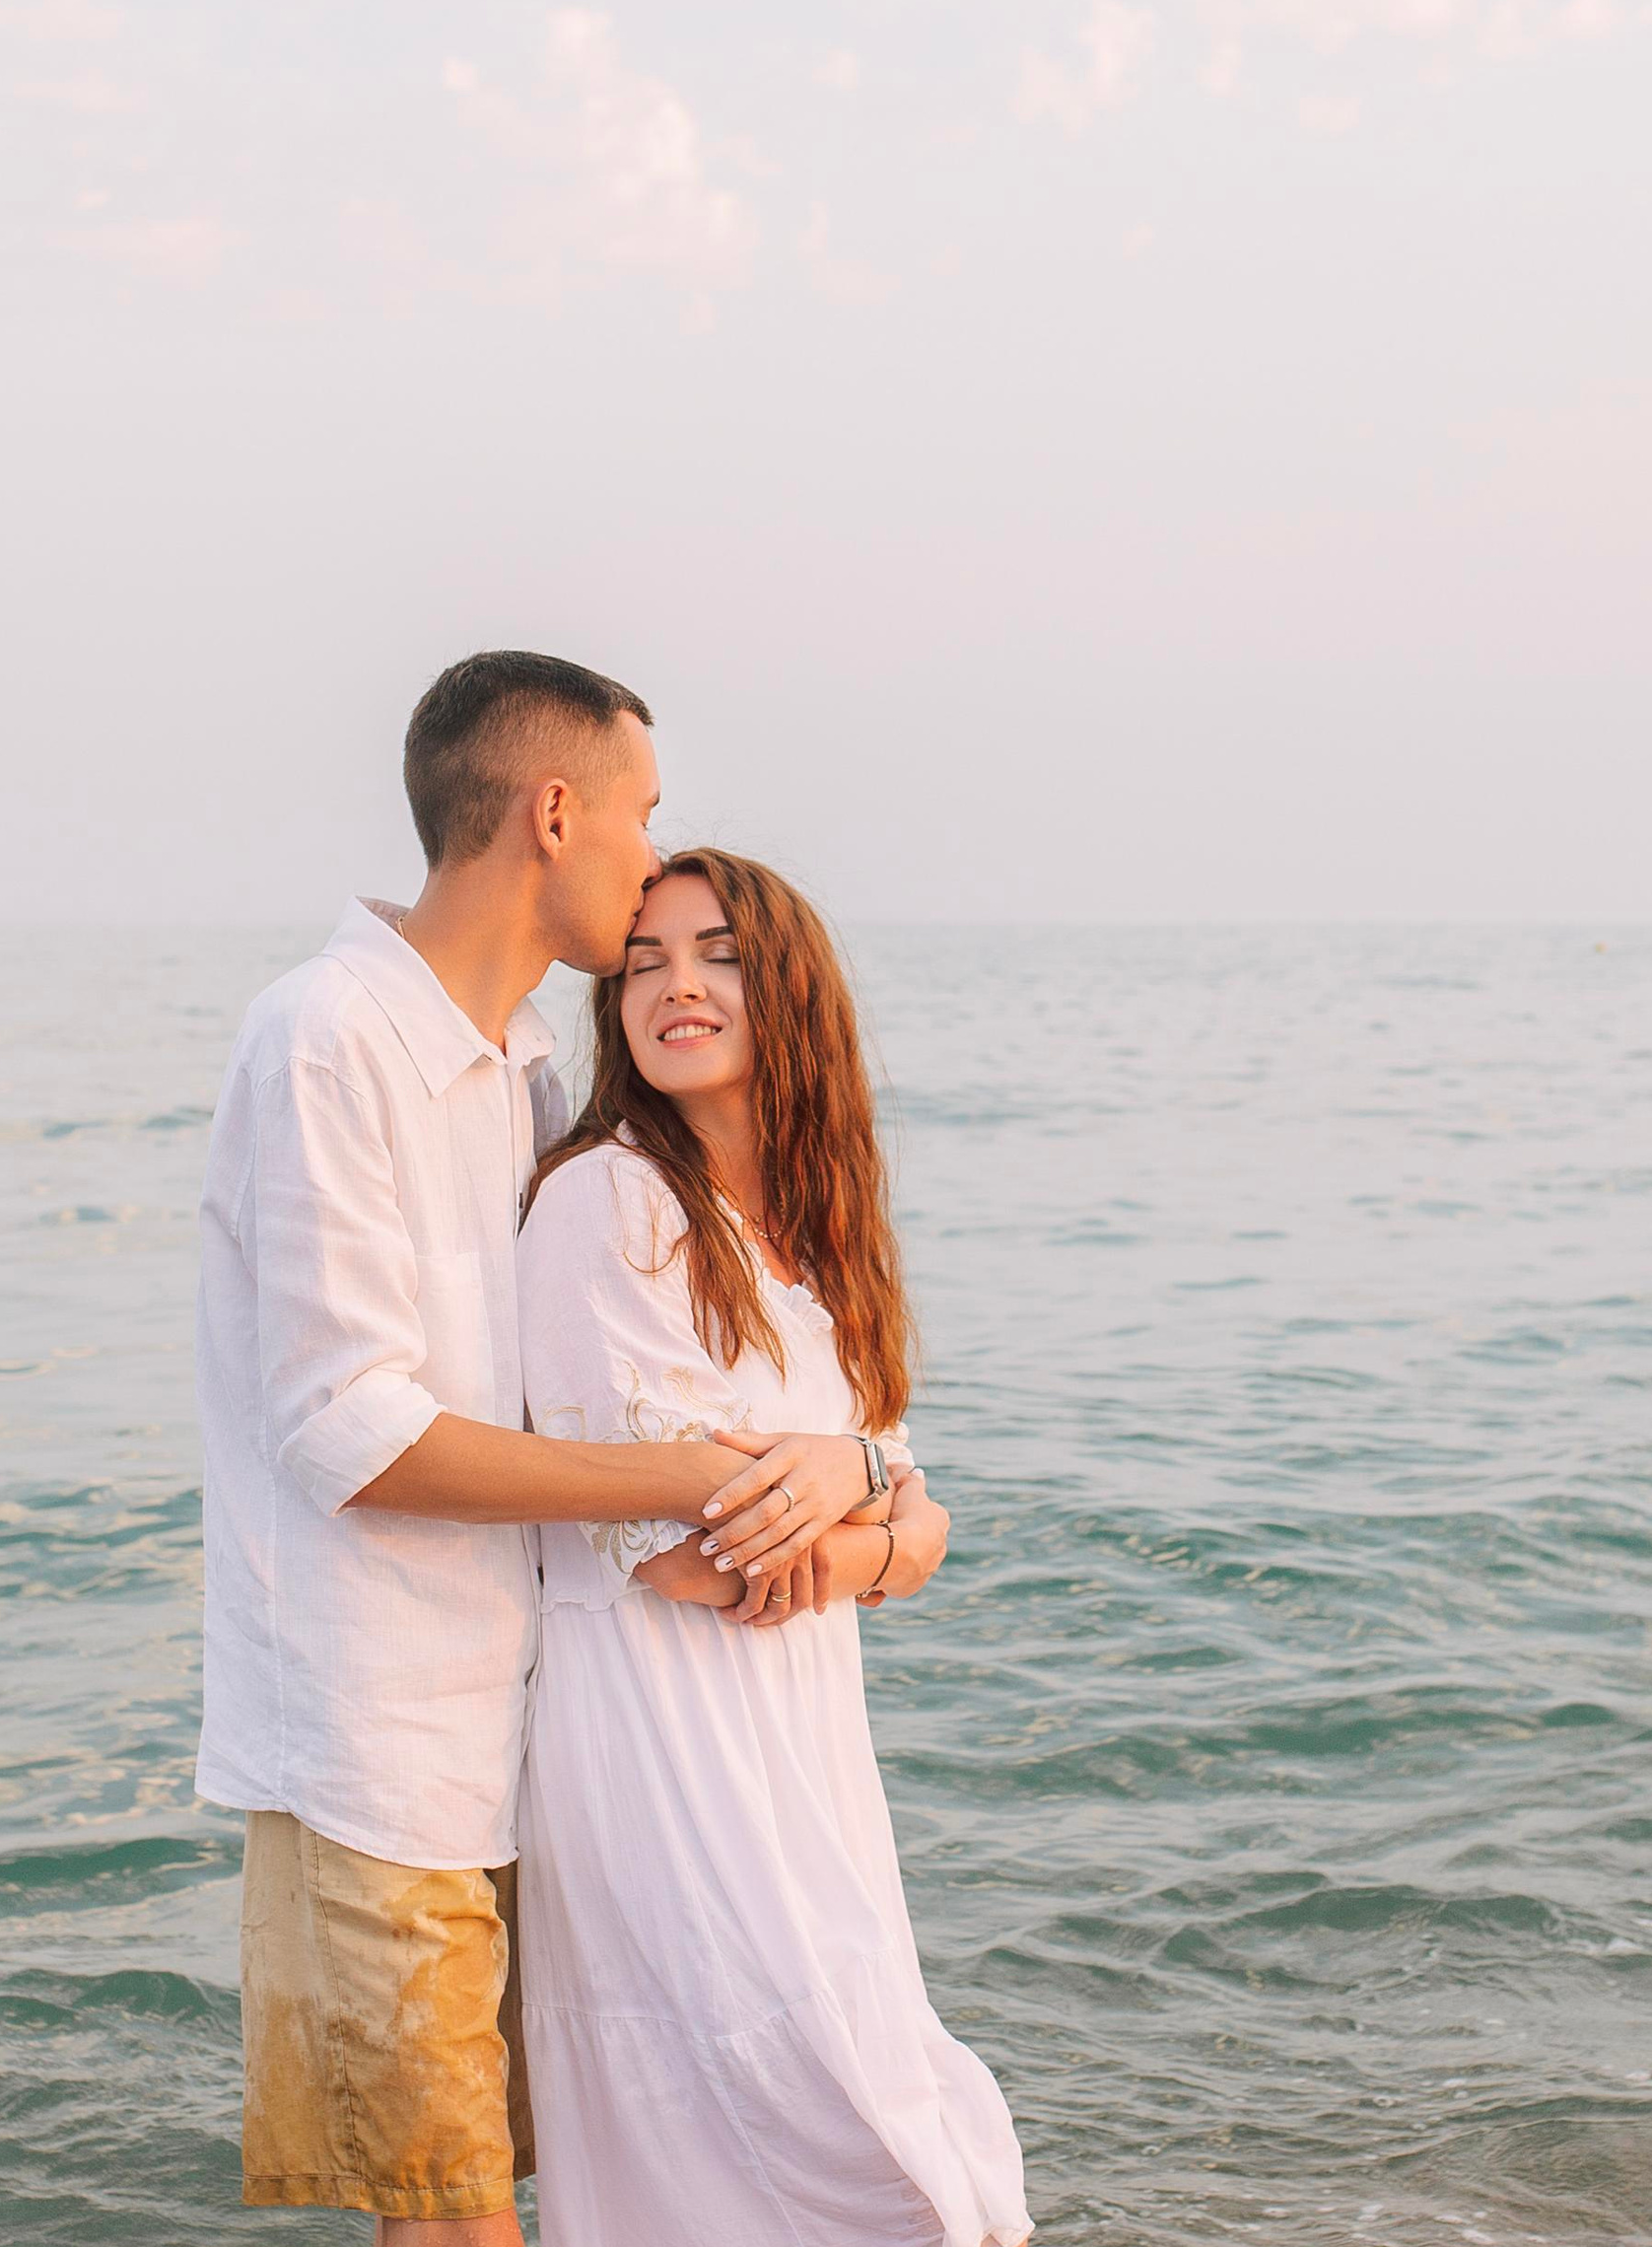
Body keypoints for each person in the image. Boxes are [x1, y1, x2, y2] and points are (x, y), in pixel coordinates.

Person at [193, 655, 874, 2245]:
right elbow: (348, 1431)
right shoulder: (327, 1038)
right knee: (448, 2215)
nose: (653, 855)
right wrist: (706, 1476)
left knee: (524, 2190)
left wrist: (852, 1473)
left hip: (525, 1743)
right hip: (375, 1748)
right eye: (642, 815)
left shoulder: (525, 1075)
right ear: (556, 814)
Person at [514, 847, 1034, 2247]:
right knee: (807, 2141)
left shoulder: (820, 1231)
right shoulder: (606, 1202)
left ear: (790, 988)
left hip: (803, 1743)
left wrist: (860, 1484)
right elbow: (688, 1555)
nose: (676, 986)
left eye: (719, 955)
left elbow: (908, 1494)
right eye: (644, 963)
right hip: (663, 1740)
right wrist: (880, 1519)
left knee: (871, 2110)